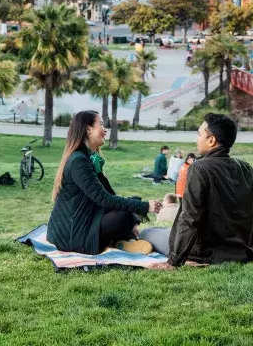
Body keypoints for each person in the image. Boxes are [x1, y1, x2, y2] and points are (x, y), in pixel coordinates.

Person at [143, 113, 253, 268]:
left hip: (204, 252)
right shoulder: (245, 167)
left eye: (199, 134)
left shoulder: (199, 167)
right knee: (162, 229)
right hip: (239, 250)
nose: (197, 139)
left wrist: (174, 262)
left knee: (147, 233)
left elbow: (190, 218)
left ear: (211, 140)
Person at [47, 111, 159, 255]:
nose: (105, 129)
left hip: (85, 222)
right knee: (123, 214)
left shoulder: (88, 158)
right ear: (88, 129)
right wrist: (145, 207)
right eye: (100, 124)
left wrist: (133, 217)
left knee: (130, 204)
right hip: (72, 236)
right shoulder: (78, 161)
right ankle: (124, 241)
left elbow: (109, 196)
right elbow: (104, 199)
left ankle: (124, 240)